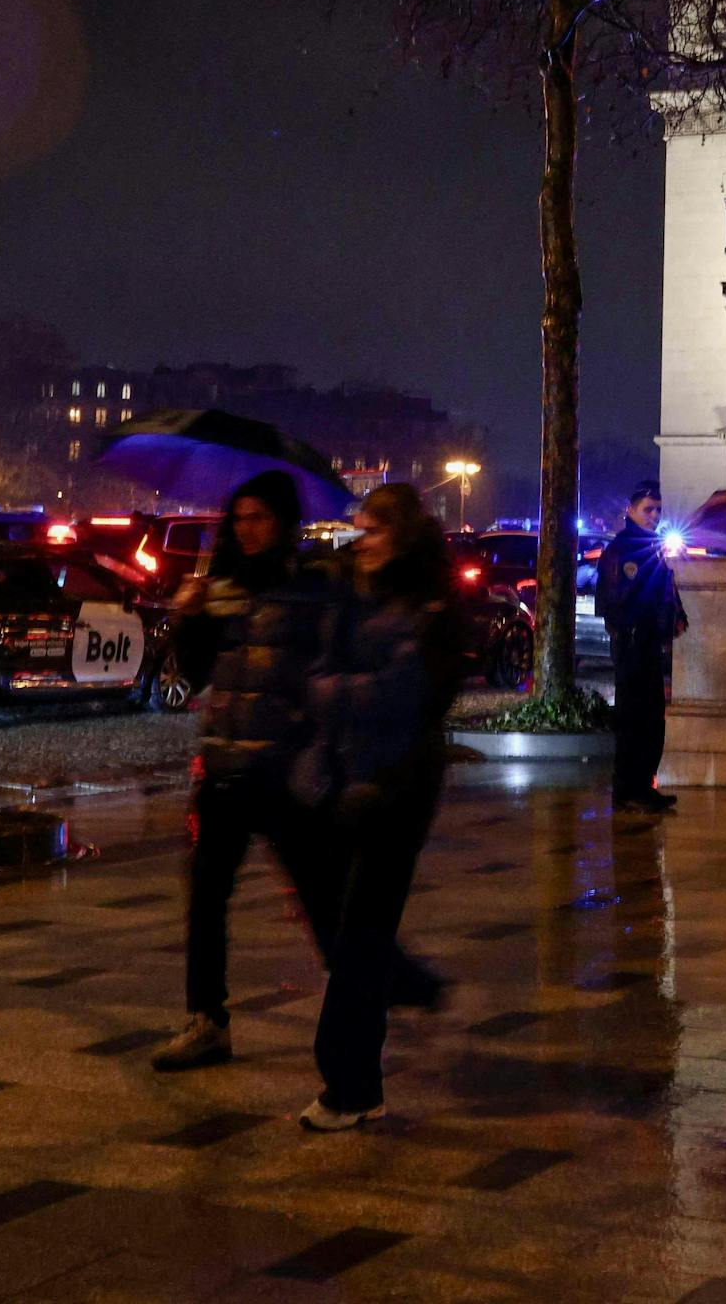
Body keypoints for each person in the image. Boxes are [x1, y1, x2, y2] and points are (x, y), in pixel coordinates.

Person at [153, 471, 441, 1076]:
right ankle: (207, 1020)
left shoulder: (312, 584)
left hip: (284, 771)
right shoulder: (222, 589)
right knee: (206, 899)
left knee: (322, 900)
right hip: (225, 767)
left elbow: (336, 656)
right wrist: (192, 617)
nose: (248, 529)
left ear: (283, 522)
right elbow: (197, 673)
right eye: (240, 517)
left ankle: (384, 980)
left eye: (260, 517)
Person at [288, 481, 463, 1129]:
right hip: (336, 781)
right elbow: (315, 676)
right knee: (343, 930)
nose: (364, 540)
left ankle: (350, 1084)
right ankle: (409, 982)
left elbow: (414, 693)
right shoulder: (349, 598)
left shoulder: (433, 606)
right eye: (360, 526)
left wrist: (338, 692)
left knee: (360, 935)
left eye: (378, 529)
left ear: (406, 535)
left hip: (398, 787)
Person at [595, 479, 686, 813]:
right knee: (634, 717)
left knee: (651, 717)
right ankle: (628, 788)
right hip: (632, 642)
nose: (655, 515)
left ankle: (643, 784)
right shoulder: (622, 549)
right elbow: (613, 599)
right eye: (648, 509)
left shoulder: (651, 546)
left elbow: (663, 592)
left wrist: (673, 617)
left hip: (647, 642)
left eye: (658, 509)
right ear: (630, 511)